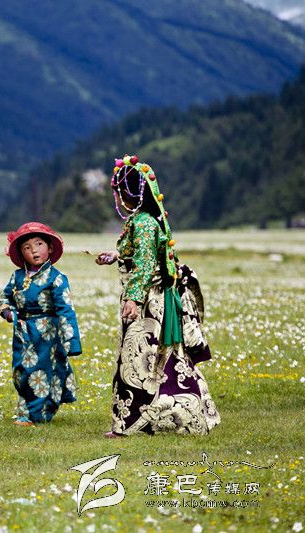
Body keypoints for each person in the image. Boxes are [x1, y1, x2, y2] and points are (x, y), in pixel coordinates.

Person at [96, 155, 220, 437]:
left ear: (129, 194)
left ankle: (130, 424)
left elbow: (144, 265)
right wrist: (116, 255)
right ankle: (178, 414)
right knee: (165, 356)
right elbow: (145, 255)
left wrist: (133, 298)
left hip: (147, 302)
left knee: (137, 359)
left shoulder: (142, 223)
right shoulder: (149, 220)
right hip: (157, 298)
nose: (117, 198)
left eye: (118, 192)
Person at [0, 222, 81, 427]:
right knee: (20, 373)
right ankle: (34, 411)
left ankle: (33, 416)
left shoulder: (57, 279)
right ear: (20, 253)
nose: (33, 250)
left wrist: (72, 341)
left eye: (39, 244)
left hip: (47, 335)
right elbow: (4, 298)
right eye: (27, 247)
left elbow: (66, 310)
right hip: (23, 333)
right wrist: (8, 313)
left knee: (40, 372)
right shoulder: (17, 277)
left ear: (50, 248)